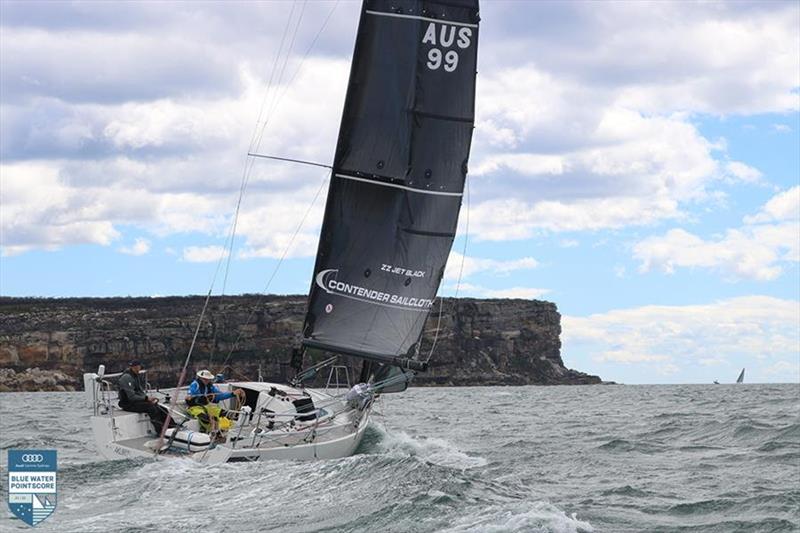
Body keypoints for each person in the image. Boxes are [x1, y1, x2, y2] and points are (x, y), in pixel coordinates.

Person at [117, 359, 170, 433]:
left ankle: (171, 427)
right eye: (137, 367)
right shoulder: (126, 378)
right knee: (152, 408)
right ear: (133, 367)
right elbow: (131, 396)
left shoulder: (135, 376)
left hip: (136, 401)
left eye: (139, 367)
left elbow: (140, 391)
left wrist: (149, 399)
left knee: (161, 408)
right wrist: (146, 398)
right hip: (128, 403)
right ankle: (160, 431)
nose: (138, 368)